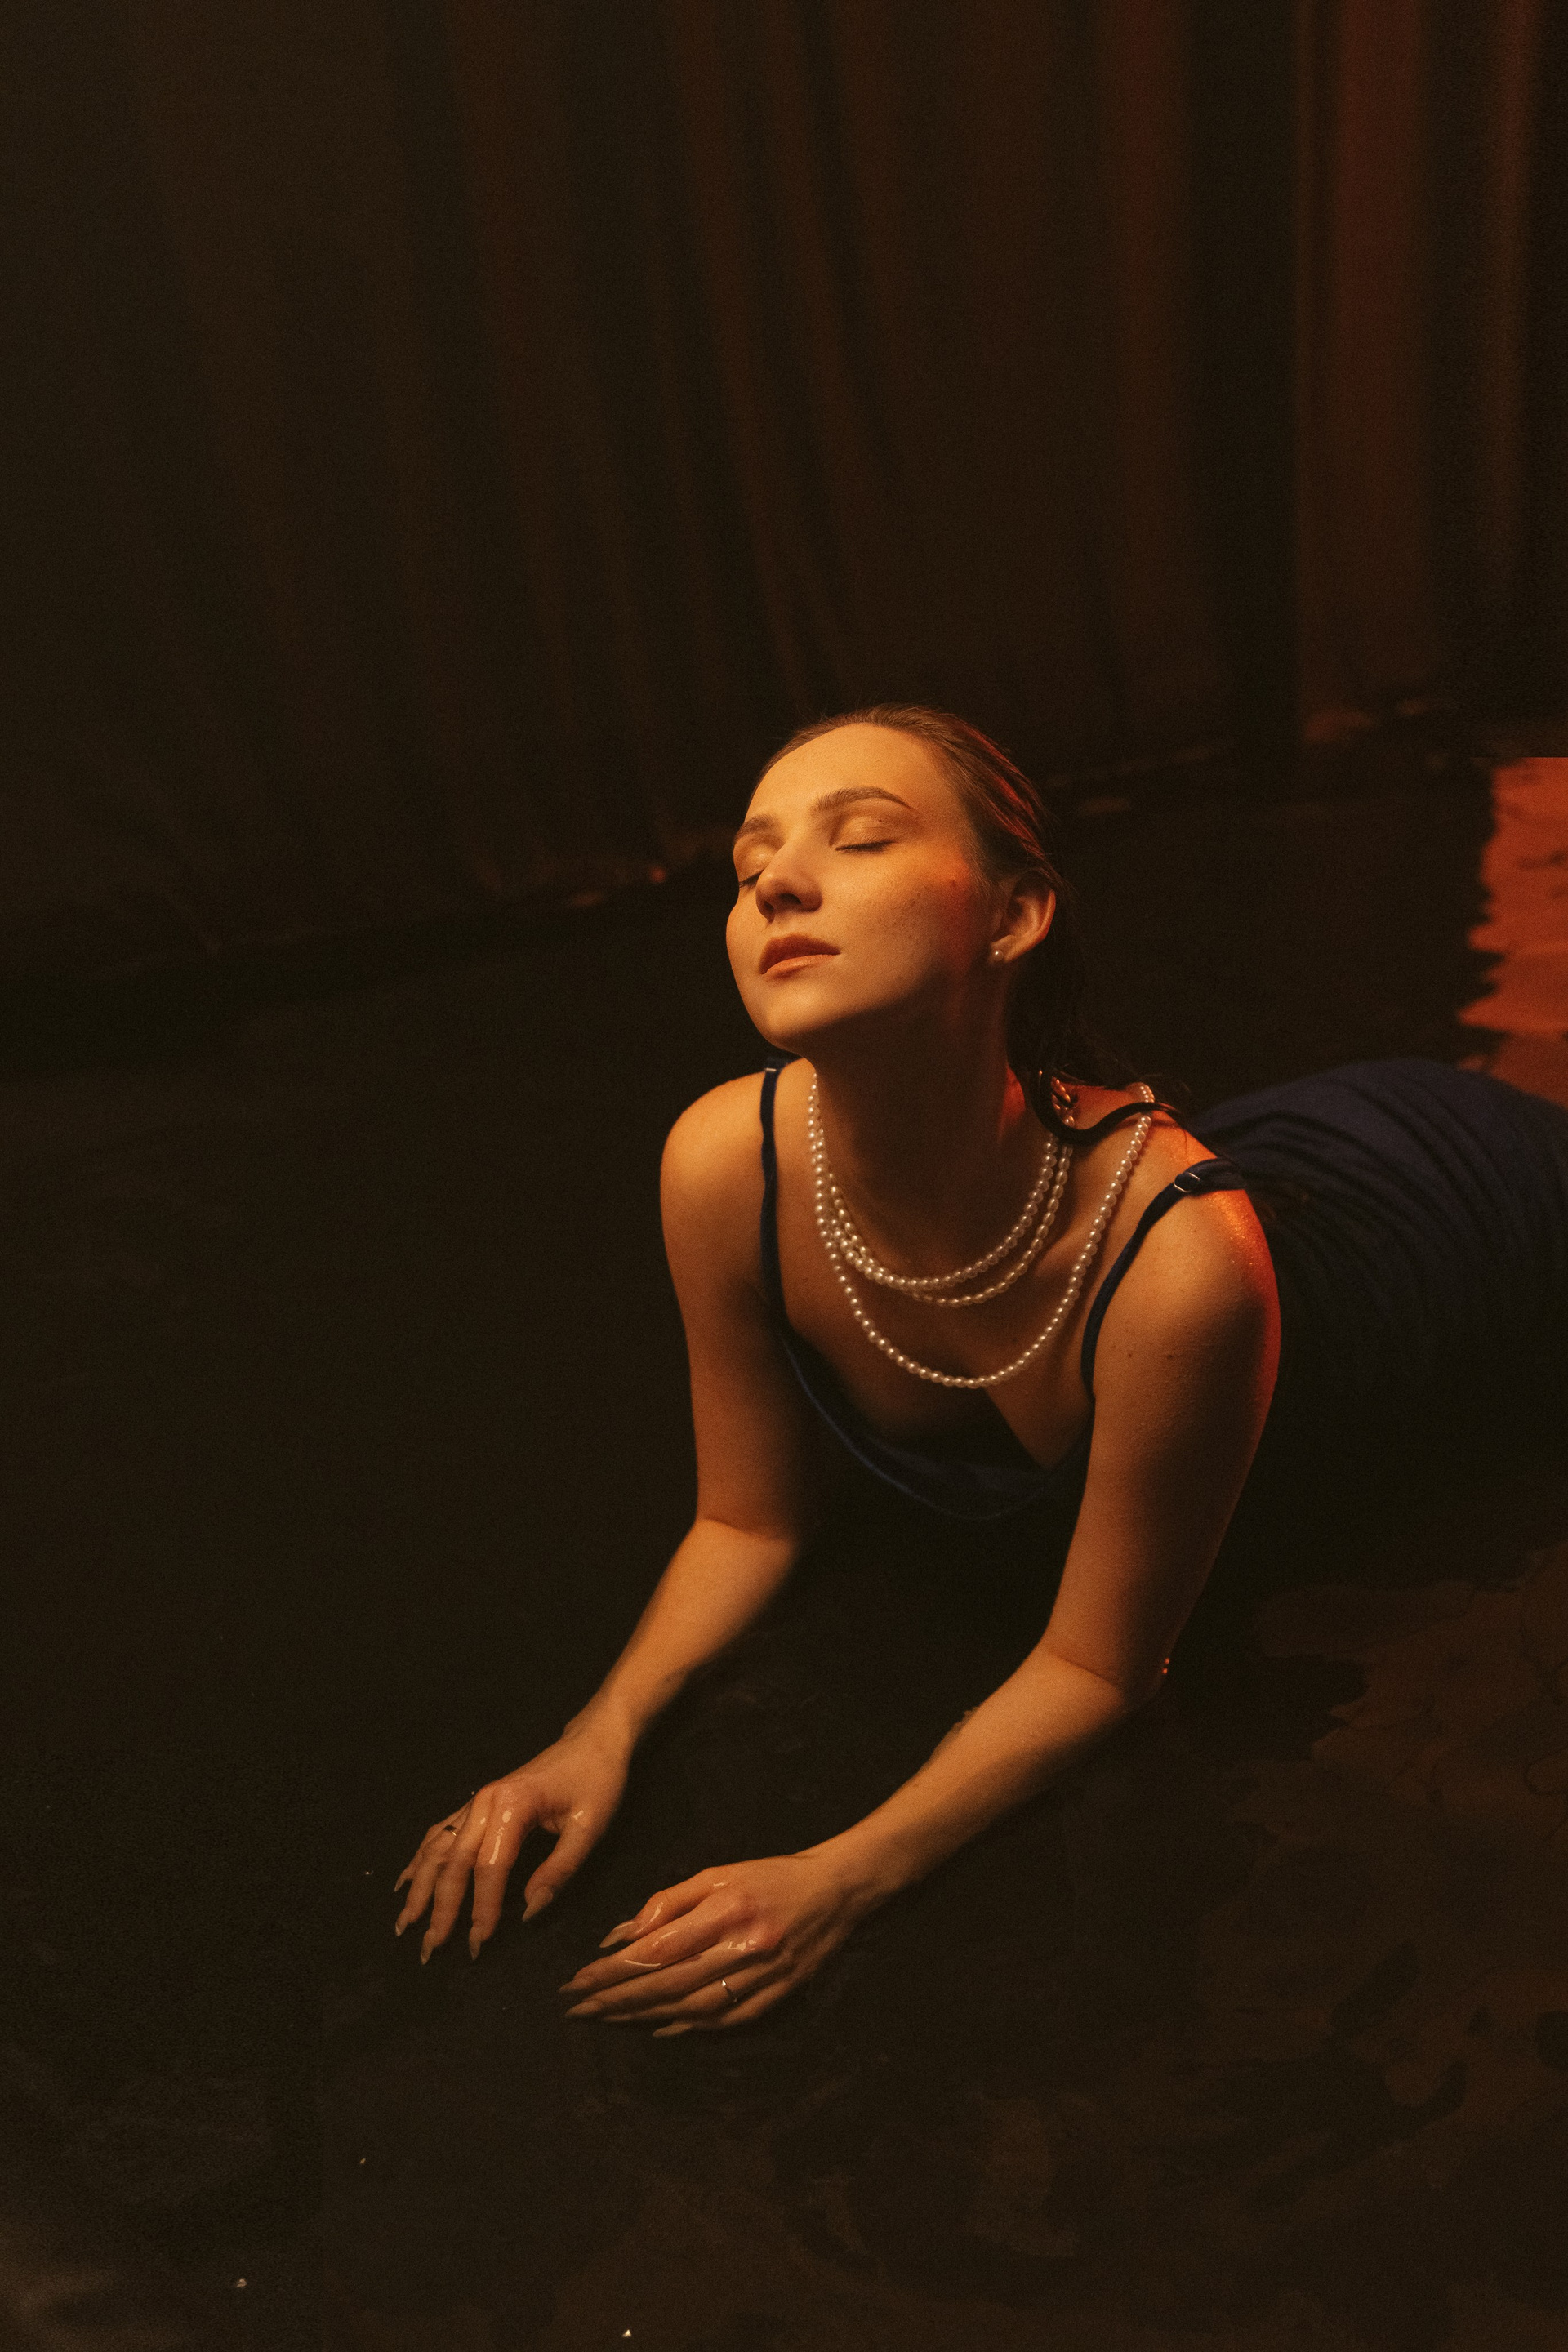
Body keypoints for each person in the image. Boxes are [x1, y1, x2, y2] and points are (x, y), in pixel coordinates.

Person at [392, 706, 1568, 2036]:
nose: (778, 883)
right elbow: (748, 1519)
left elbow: (1103, 1668)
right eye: (752, 862)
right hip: (1232, 1181)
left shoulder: (1181, 1263)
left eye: (860, 838)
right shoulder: (725, 1166)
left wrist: (839, 1877)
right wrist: (594, 1735)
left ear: (1013, 916)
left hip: (1456, 1215)